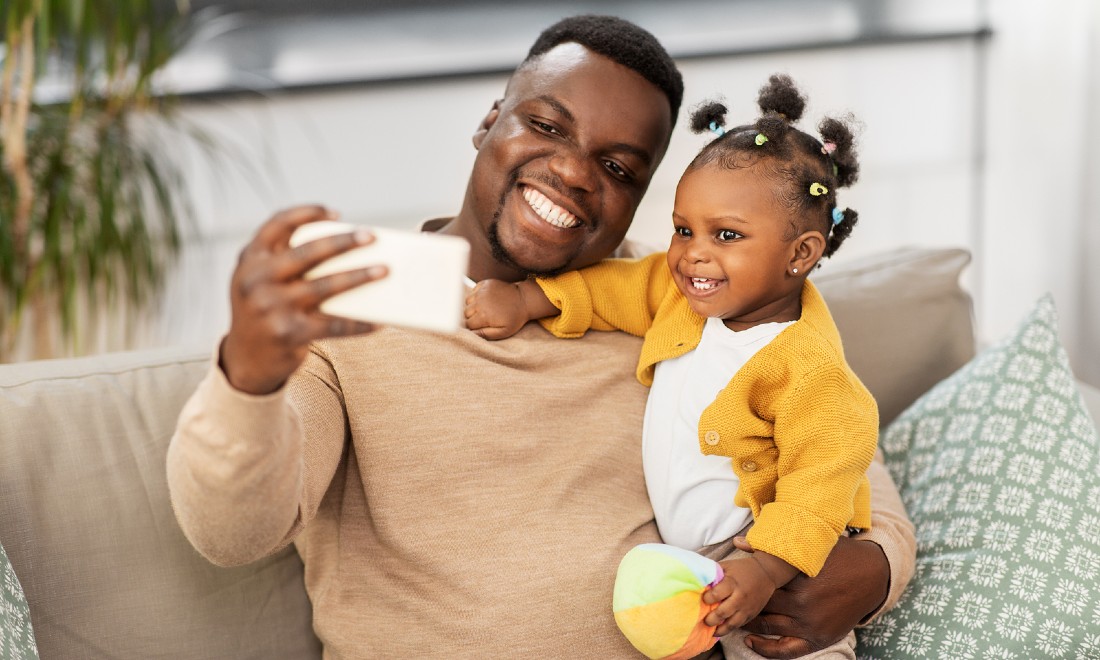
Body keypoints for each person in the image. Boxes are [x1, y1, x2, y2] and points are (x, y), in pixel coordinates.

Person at [167, 15, 915, 659]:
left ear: (639, 197)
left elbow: (840, 447)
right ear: (490, 119)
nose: (570, 171)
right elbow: (231, 534)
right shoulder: (358, 302)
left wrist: (875, 570)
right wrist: (247, 380)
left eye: (617, 166)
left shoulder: (686, 301)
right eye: (547, 125)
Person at [465, 74, 876, 659]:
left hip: (773, 556)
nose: (693, 253)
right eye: (684, 229)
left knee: (784, 649)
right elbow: (616, 289)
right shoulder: (681, 293)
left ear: (801, 253)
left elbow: (822, 483)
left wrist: (766, 568)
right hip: (696, 559)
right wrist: (530, 300)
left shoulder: (809, 370)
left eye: (727, 235)